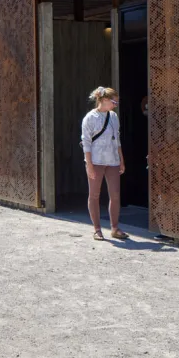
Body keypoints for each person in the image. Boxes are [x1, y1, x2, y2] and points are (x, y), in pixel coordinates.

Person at [80, 86, 128, 241]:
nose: (115, 105)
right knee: (94, 195)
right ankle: (97, 229)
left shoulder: (113, 116)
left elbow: (117, 138)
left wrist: (121, 159)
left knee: (115, 194)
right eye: (114, 102)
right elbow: (86, 143)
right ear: (104, 100)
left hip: (112, 160)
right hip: (96, 160)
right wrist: (89, 164)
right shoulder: (90, 117)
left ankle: (114, 228)